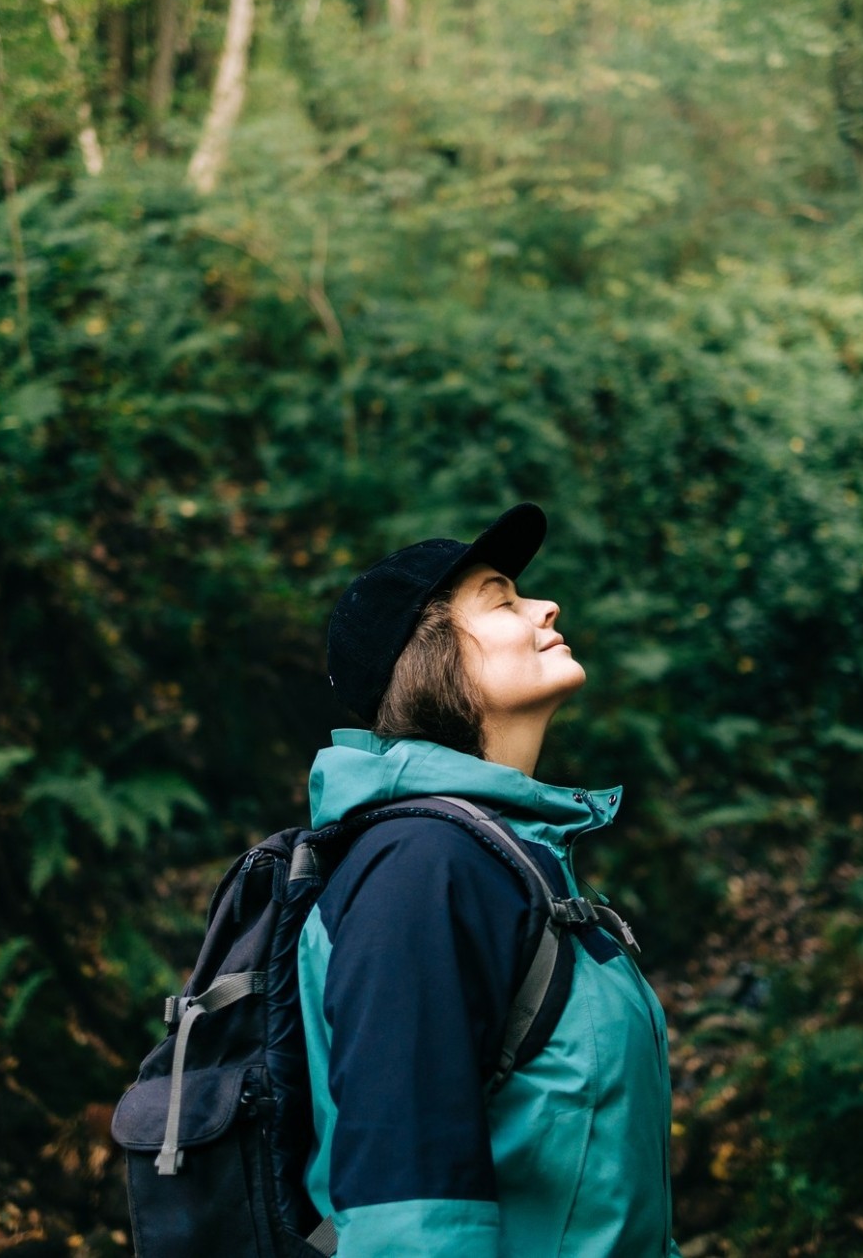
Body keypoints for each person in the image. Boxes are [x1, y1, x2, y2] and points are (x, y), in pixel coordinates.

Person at [299, 502, 681, 1257]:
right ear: (428, 659)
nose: (547, 606)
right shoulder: (421, 867)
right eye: (503, 601)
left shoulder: (507, 855)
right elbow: (409, 1218)